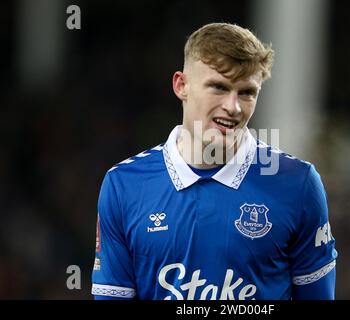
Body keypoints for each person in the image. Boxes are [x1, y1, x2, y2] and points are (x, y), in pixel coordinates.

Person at [91, 22, 337, 300]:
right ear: (181, 85)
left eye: (247, 92)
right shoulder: (124, 185)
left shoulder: (297, 184)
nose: (233, 107)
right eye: (219, 87)